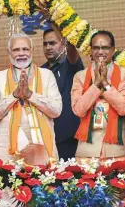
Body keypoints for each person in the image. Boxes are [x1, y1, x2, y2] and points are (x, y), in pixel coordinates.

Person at [0, 33, 61, 165]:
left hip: (41, 148)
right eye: (16, 50)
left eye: (25, 49)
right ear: (9, 52)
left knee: (43, 185)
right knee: (8, 185)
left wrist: (30, 95)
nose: (21, 53)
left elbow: (56, 110)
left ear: (32, 51)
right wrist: (14, 96)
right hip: (7, 149)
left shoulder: (46, 75)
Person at [71, 30, 125, 162]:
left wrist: (105, 84)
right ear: (91, 51)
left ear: (113, 50)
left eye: (105, 47)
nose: (100, 52)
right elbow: (78, 110)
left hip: (117, 150)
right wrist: (95, 85)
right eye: (96, 48)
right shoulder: (80, 76)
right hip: (87, 151)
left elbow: (123, 108)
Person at [40, 28, 84, 160]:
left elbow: (72, 51)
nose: (48, 47)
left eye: (52, 43)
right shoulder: (40, 71)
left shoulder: (71, 64)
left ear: (63, 43)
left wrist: (56, 21)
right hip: (46, 136)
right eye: (45, 44)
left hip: (70, 138)